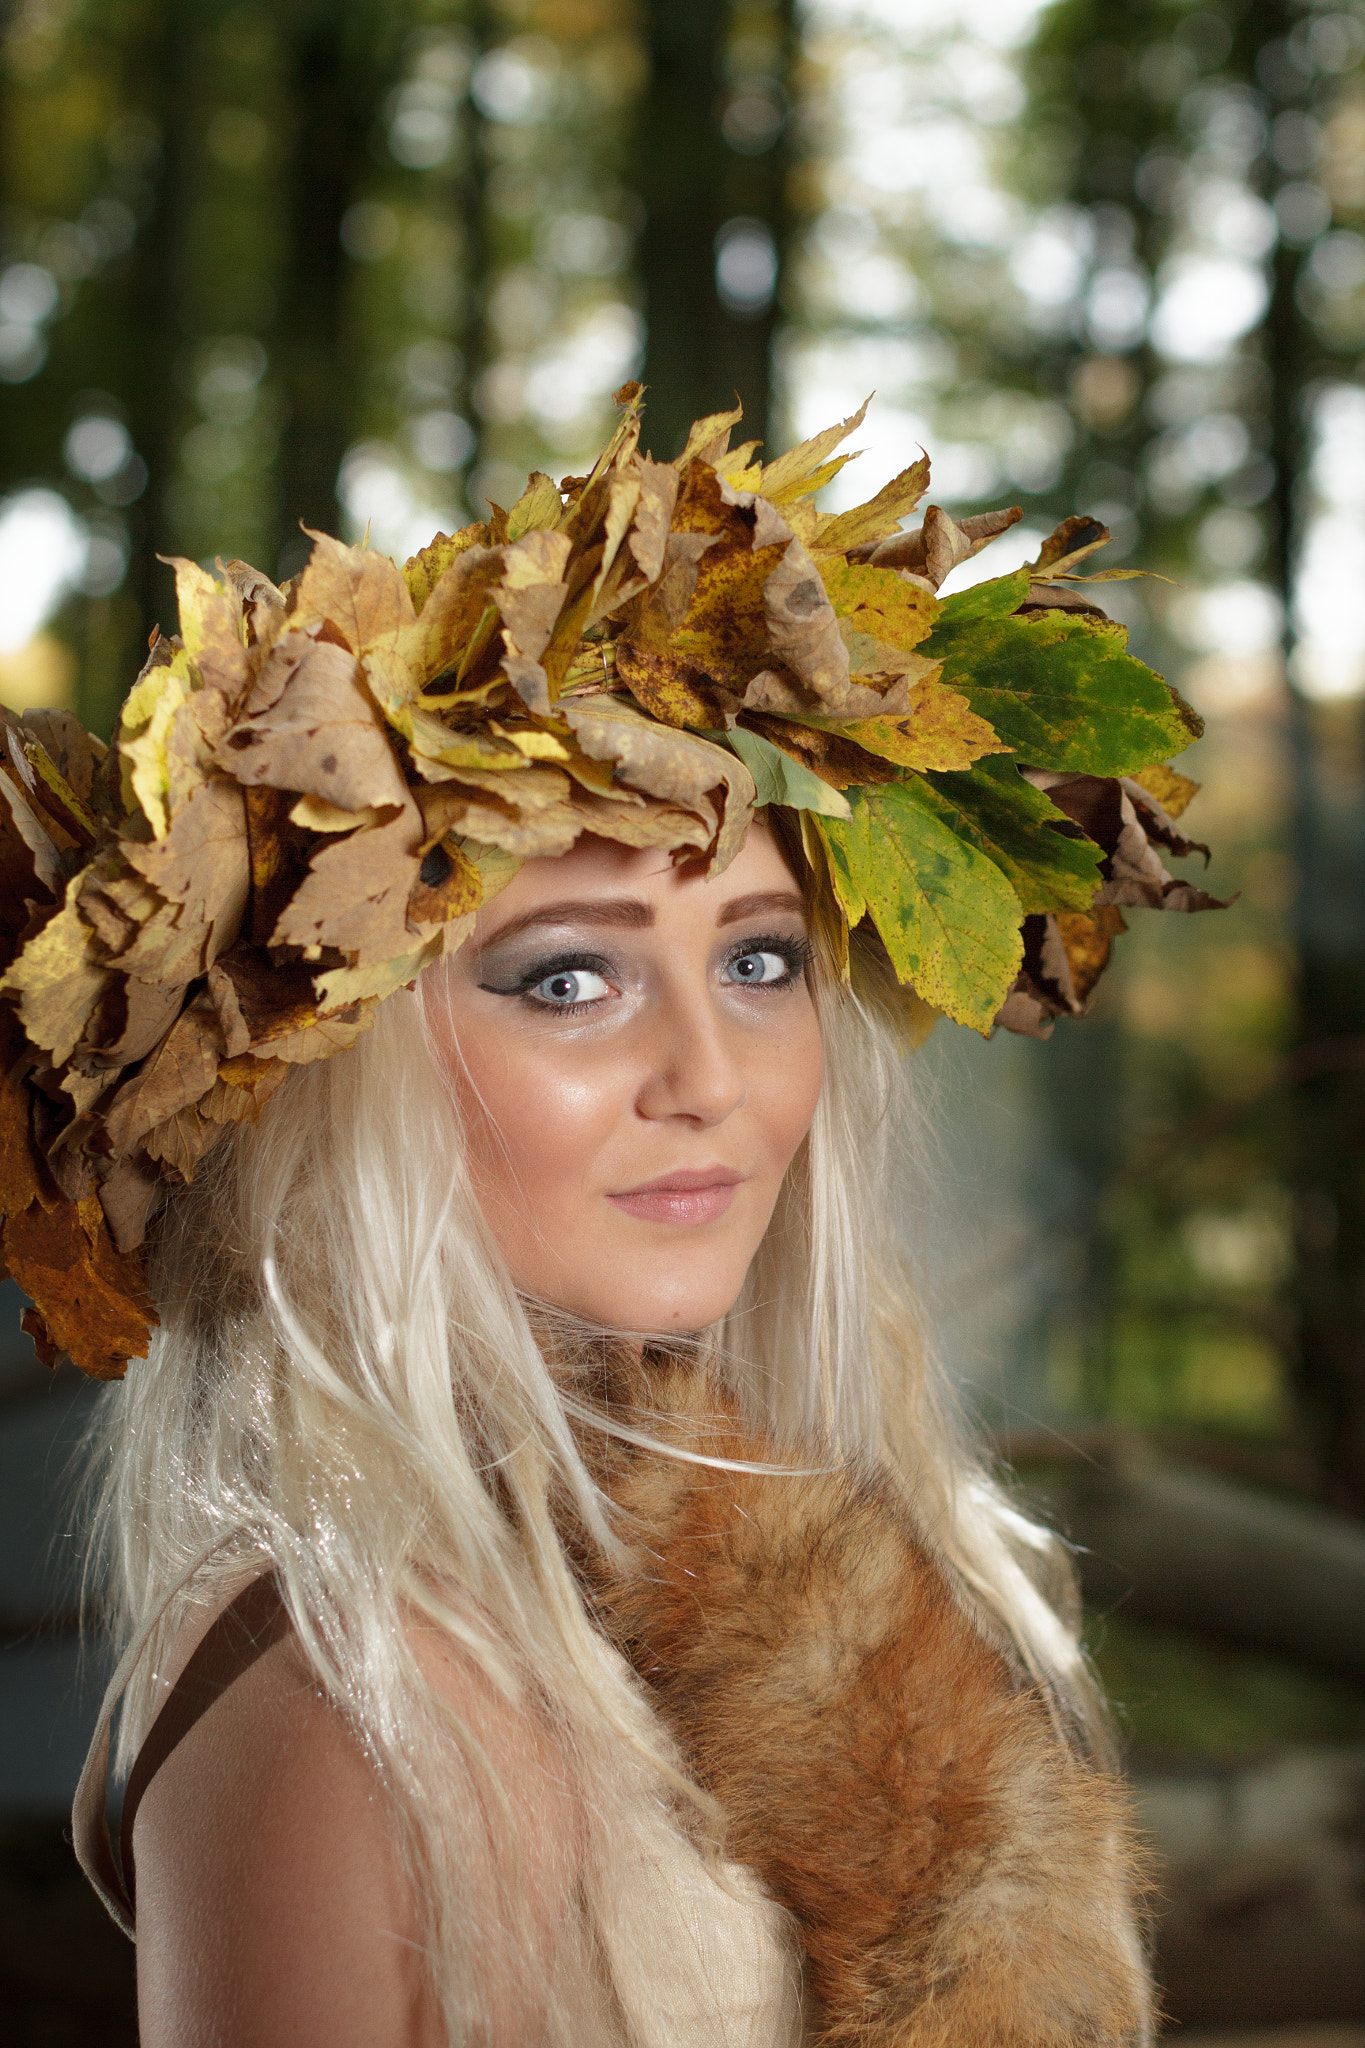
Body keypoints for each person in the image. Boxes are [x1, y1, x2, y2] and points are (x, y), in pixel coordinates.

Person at [0, 395, 1213, 2043]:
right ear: (350, 1064)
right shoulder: (353, 1704)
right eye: (568, 978)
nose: (706, 1073)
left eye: (758, 960)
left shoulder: (871, 1572)